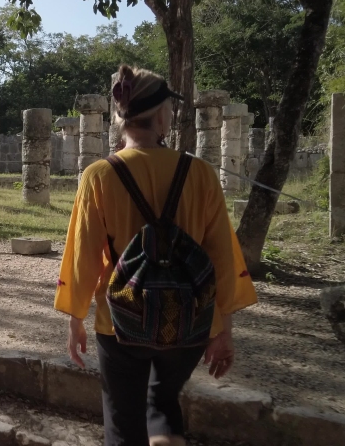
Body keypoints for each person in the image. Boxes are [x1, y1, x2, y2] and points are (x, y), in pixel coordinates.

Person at [55, 65, 257, 446]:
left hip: (121, 320)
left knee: (122, 417)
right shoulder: (200, 173)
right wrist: (223, 329)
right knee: (163, 404)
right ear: (162, 116)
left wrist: (75, 317)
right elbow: (222, 259)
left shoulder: (99, 175)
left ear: (121, 117)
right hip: (190, 319)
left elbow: (82, 254)